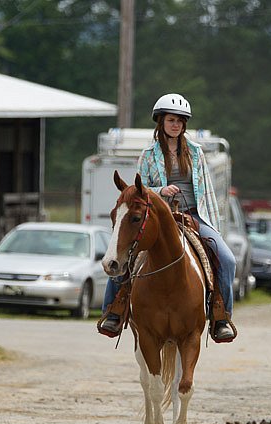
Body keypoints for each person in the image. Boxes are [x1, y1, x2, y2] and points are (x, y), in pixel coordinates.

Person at [98, 93, 237, 342]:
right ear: (160, 121)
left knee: (226, 259)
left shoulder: (196, 153)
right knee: (127, 252)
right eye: (172, 120)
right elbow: (140, 191)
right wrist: (160, 191)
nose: (176, 125)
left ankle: (220, 317)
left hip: (194, 215)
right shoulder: (148, 155)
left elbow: (206, 190)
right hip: (159, 217)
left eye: (180, 121)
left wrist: (209, 223)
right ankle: (113, 311)